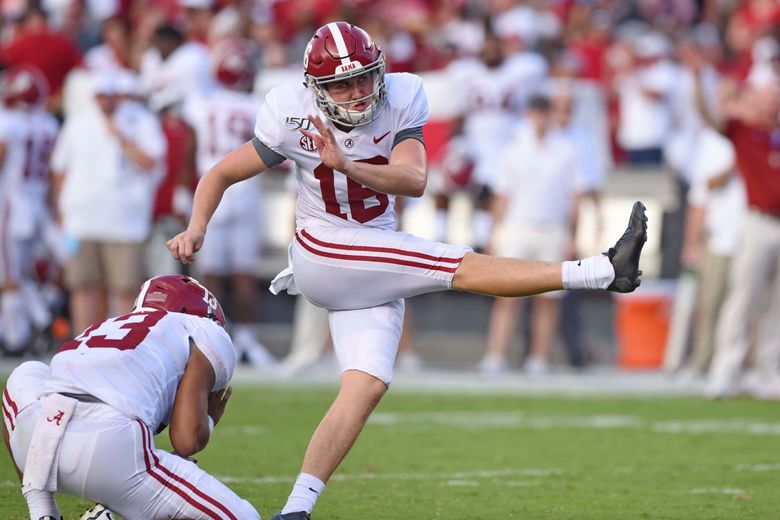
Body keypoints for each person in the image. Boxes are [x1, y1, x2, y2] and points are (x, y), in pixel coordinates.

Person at [168, 22, 647, 519]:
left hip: (373, 252)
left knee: (368, 384)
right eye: (342, 85)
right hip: (322, 247)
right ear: (316, 89)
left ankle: (295, 509)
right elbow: (221, 171)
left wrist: (348, 165)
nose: (357, 93)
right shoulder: (290, 113)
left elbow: (414, 179)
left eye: (364, 79)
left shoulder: (402, 96)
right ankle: (601, 271)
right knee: (452, 264)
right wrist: (197, 226)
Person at [2, 274, 260, 519]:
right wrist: (209, 420)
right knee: (245, 516)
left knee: (28, 372)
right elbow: (186, 440)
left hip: (36, 439)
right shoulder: (204, 329)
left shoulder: (108, 324)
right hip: (108, 450)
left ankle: (43, 511)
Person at [181, 38, 276, 367]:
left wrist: (184, 191)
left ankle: (215, 335)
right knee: (244, 273)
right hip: (245, 190)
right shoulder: (255, 106)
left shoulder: (201, 103)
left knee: (213, 275)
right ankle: (246, 337)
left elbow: (189, 145)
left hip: (211, 190)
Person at [50, 71, 165, 334]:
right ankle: (83, 344)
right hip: (83, 219)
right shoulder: (78, 123)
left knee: (125, 288)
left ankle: (123, 346)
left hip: (126, 222)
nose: (107, 102)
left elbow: (152, 162)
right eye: (101, 96)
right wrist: (61, 208)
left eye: (112, 96)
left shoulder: (141, 121)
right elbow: (60, 168)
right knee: (84, 286)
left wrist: (123, 139)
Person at [477, 94, 583, 376]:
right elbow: (502, 195)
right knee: (507, 296)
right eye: (536, 113)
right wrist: (493, 231)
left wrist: (573, 235)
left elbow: (575, 197)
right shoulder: (513, 150)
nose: (541, 118)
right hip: (517, 227)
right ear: (529, 115)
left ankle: (538, 358)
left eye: (544, 112)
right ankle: (495, 356)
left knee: (548, 300)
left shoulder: (567, 150)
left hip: (552, 228)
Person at [0, 65, 61, 356]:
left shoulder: (9, 123)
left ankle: (16, 339)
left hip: (12, 204)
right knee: (24, 273)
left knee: (9, 275)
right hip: (37, 204)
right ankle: (41, 320)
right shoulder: (48, 122)